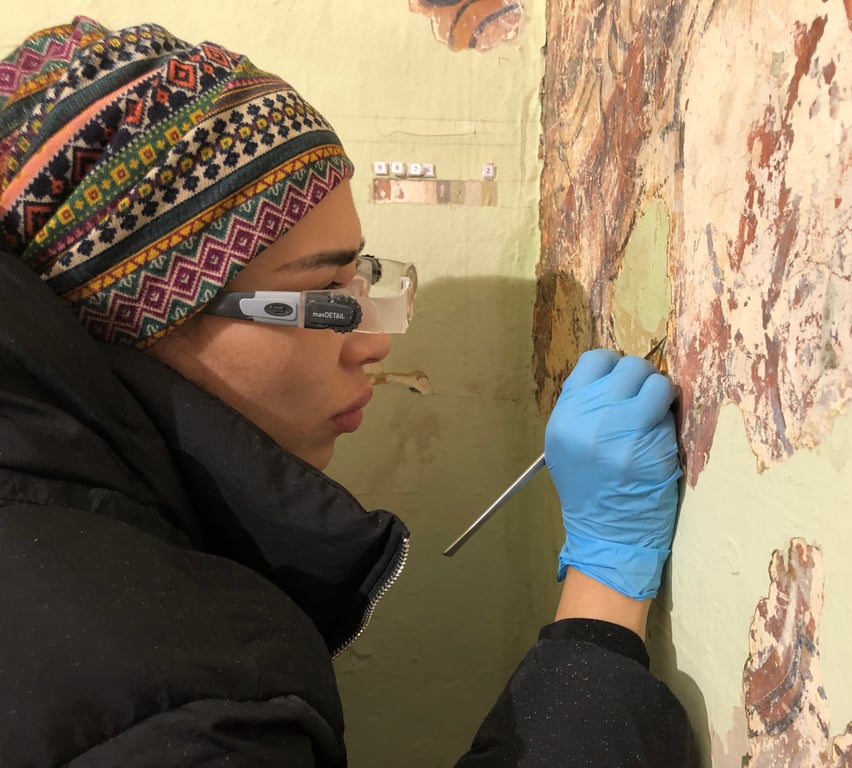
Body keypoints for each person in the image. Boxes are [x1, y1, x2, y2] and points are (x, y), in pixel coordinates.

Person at [0, 17, 697, 767]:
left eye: (360, 279)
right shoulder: (175, 707)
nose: (371, 343)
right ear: (138, 315)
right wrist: (605, 587)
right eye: (325, 295)